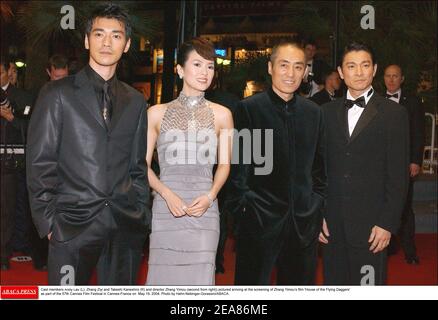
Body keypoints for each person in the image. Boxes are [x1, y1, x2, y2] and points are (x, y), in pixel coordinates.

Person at [27, 3, 150, 285]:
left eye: (116, 35)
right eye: (99, 34)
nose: (107, 42)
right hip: (71, 225)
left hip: (124, 225)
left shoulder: (135, 101)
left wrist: (141, 214)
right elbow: (40, 162)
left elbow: (137, 165)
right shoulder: (56, 94)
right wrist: (48, 223)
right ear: (86, 40)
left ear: (127, 44)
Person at [227, 41, 327, 285]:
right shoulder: (249, 109)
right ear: (270, 67)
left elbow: (319, 170)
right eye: (284, 65)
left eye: (298, 67)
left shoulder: (314, 112)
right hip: (258, 220)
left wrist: (315, 207)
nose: (290, 73)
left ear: (305, 72)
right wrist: (245, 210)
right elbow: (239, 169)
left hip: (303, 223)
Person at [320, 42, 409, 285]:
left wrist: (387, 223)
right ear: (340, 72)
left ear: (374, 69)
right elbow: (318, 169)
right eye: (351, 66)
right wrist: (317, 213)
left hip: (372, 226)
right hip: (332, 225)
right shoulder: (325, 113)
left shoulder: (394, 114)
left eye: (365, 65)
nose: (358, 72)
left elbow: (398, 176)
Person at [145, 38, 233, 285]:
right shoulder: (156, 113)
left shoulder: (223, 114)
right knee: (163, 280)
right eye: (197, 64)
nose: (205, 72)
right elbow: (142, 165)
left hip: (204, 209)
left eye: (210, 66)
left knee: (200, 281)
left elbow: (225, 165)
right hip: (165, 209)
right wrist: (165, 193)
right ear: (180, 69)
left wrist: (210, 195)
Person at [384, 64, 425, 265]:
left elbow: (418, 132)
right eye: (388, 76)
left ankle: (410, 250)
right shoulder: (375, 101)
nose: (391, 80)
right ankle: (388, 247)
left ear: (402, 79)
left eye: (395, 76)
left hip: (404, 164)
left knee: (406, 207)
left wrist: (416, 160)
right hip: (380, 165)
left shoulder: (413, 102)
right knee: (382, 205)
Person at [1, 56, 33, 270]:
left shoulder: (21, 96)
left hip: (10, 161)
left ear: (7, 73)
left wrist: (11, 118)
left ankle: (3, 252)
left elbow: (31, 127)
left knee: (7, 208)